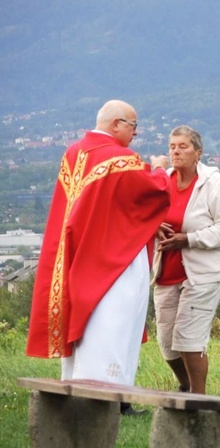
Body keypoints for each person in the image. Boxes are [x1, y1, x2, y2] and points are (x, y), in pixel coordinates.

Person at [26, 100, 171, 388]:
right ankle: (110, 393)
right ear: (116, 124)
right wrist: (160, 168)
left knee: (84, 328)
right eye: (133, 126)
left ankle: (76, 385)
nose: (135, 134)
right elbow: (154, 191)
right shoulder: (121, 159)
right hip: (112, 261)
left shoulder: (73, 153)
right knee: (111, 324)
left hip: (78, 255)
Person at [151, 125, 220, 395]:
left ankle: (198, 399)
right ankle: (186, 385)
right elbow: (147, 215)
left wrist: (188, 239)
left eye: (183, 146)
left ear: (198, 153)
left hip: (203, 274)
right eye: (172, 146)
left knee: (189, 339)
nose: (176, 151)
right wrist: (155, 226)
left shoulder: (211, 182)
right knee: (167, 342)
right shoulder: (164, 180)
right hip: (166, 271)